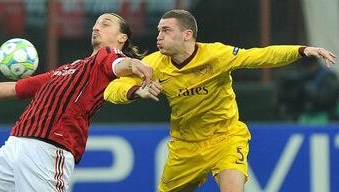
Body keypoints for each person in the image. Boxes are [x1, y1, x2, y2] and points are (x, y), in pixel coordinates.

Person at [104, 10, 336, 192]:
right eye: (158, 30)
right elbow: (112, 89)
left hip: (225, 137)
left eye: (166, 30)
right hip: (186, 146)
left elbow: (259, 56)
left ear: (187, 35)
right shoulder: (154, 64)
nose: (159, 36)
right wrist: (136, 91)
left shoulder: (216, 55)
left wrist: (302, 50)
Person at [0, 13, 152, 192]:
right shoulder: (67, 69)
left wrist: (133, 64)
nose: (96, 27)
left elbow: (117, 64)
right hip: (15, 144)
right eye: (95, 24)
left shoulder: (107, 56)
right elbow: (17, 88)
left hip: (48, 150)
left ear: (122, 37)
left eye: (105, 24)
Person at [278, 57, 339, 124]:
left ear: (314, 64)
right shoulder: (303, 77)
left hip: (324, 116)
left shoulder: (328, 76)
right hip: (304, 116)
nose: (306, 69)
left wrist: (310, 91)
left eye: (308, 66)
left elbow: (328, 99)